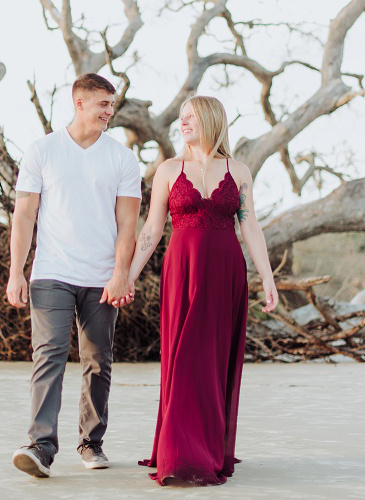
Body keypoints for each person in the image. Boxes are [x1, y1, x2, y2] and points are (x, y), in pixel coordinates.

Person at [129, 95, 279, 486]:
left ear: (212, 120)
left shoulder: (239, 170)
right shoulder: (167, 170)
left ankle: (207, 448)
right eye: (181, 117)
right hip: (182, 270)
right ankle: (178, 452)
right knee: (183, 358)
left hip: (225, 272)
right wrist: (127, 275)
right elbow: (151, 230)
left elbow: (250, 226)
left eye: (191, 116)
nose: (183, 122)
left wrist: (267, 276)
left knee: (212, 360)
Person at [5, 73, 142, 478]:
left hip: (102, 278)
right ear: (79, 102)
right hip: (51, 272)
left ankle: (91, 442)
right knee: (48, 355)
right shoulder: (43, 150)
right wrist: (16, 272)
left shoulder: (122, 158)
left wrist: (120, 274)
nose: (109, 112)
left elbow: (128, 225)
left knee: (98, 360)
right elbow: (24, 215)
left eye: (112, 105)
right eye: (103, 104)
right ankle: (40, 447)